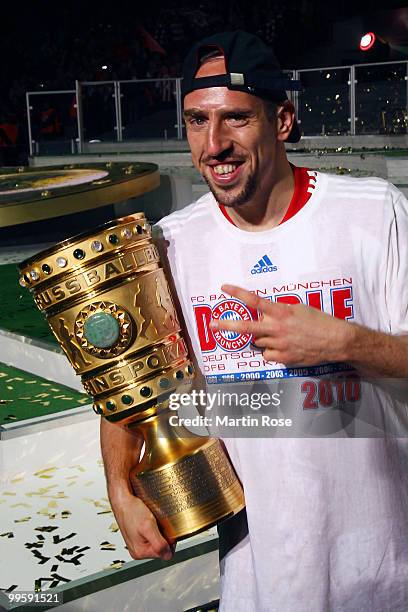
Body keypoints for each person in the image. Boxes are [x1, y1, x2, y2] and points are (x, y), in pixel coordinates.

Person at [100, 31, 408, 611]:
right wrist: (120, 485)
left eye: (236, 119)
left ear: (283, 121)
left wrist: (344, 340)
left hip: (385, 572)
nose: (213, 144)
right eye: (196, 121)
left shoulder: (374, 213)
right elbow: (128, 378)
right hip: (260, 580)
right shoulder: (169, 246)